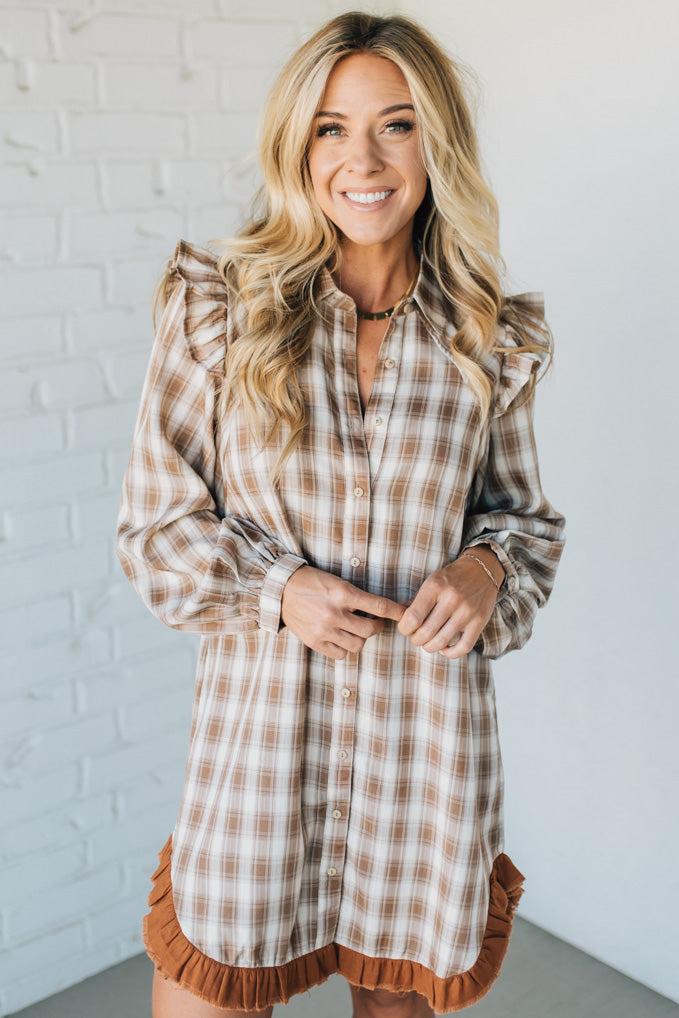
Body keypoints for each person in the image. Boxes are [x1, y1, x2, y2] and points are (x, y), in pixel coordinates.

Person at [115, 11, 566, 1017]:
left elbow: (525, 528)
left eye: (395, 124)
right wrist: (281, 590)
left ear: (435, 142)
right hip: (259, 762)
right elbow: (154, 535)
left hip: (423, 765)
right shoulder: (215, 307)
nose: (361, 158)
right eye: (329, 126)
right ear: (296, 142)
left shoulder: (493, 339)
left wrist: (486, 571)